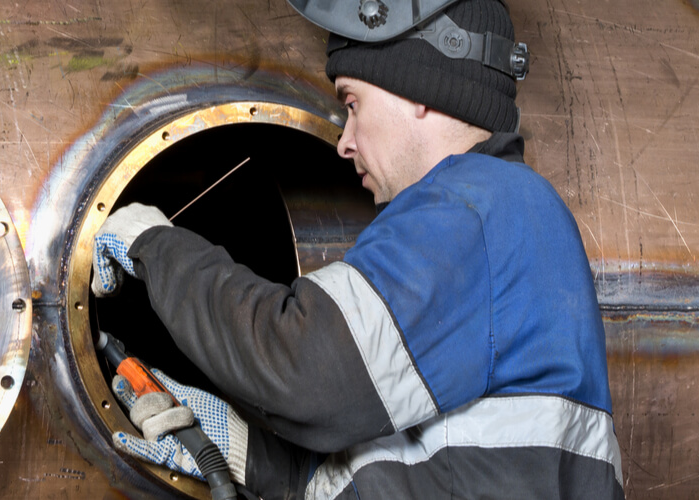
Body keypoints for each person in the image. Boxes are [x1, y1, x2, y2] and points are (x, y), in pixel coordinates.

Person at [88, 0, 625, 498]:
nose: (344, 141)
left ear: (420, 92)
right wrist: (244, 452)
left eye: (352, 102)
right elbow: (411, 475)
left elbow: (302, 366)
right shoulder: (495, 220)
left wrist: (154, 246)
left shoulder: (479, 205)